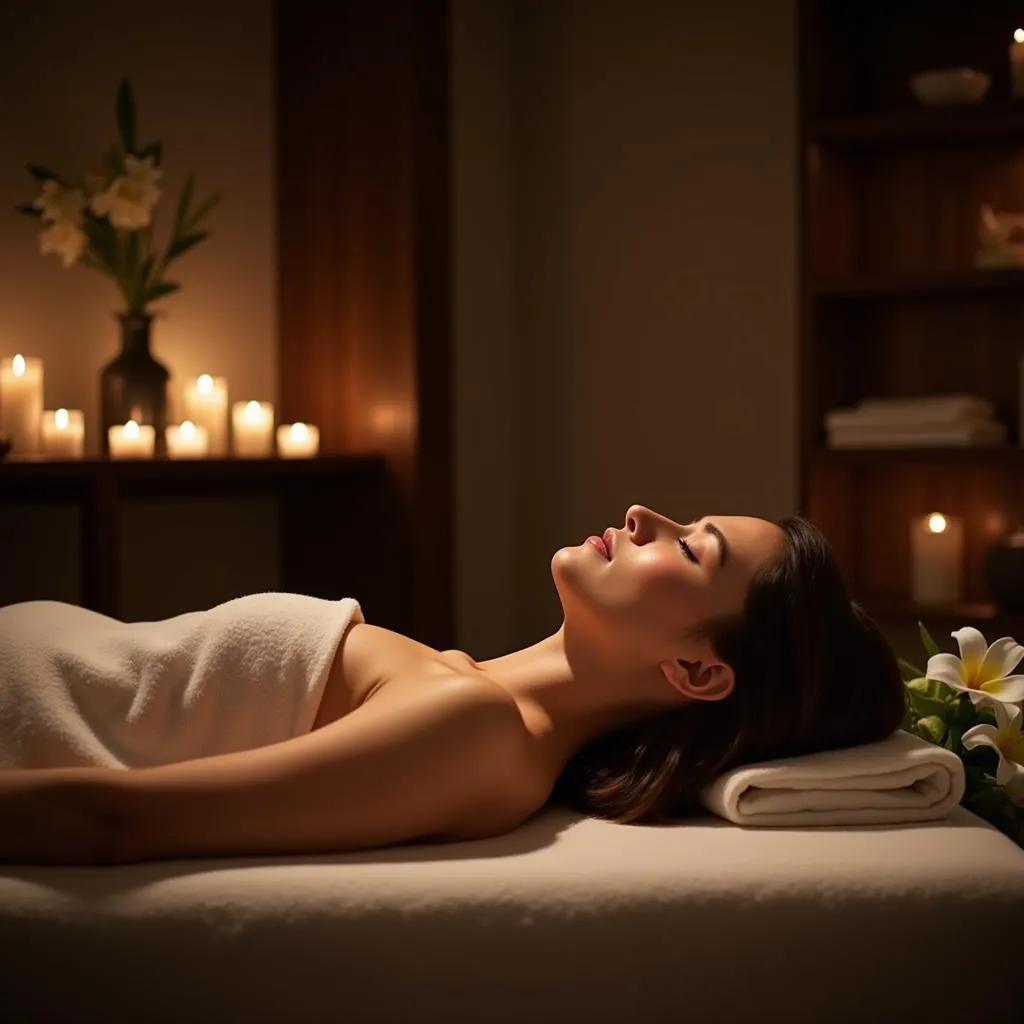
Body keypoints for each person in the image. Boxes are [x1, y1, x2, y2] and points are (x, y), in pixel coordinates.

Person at [0, 505, 905, 865]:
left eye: (689, 545)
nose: (644, 516)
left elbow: (119, 819)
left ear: (700, 671)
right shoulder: (472, 691)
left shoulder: (478, 734)